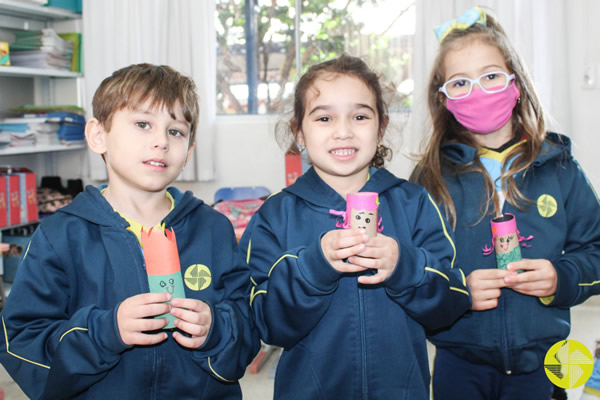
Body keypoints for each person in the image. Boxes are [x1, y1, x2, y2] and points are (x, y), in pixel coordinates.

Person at [0, 64, 259, 399]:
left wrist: (216, 328)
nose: (161, 142)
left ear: (189, 151)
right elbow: (21, 342)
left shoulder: (213, 229)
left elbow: (249, 327)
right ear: (98, 135)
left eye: (176, 131)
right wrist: (104, 332)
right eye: (142, 124)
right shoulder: (60, 235)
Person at [238, 54, 472, 399]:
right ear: (298, 132)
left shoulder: (413, 203)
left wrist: (403, 265)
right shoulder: (276, 215)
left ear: (380, 128)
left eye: (360, 116)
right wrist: (313, 267)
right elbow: (267, 324)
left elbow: (451, 303)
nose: (343, 131)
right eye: (324, 117)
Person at [410, 6, 600, 400]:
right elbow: (412, 272)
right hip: (457, 362)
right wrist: (457, 291)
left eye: (491, 76)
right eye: (460, 83)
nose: (478, 92)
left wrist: (560, 278)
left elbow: (595, 250)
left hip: (544, 363)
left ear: (516, 83)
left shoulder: (559, 168)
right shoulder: (429, 180)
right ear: (442, 98)